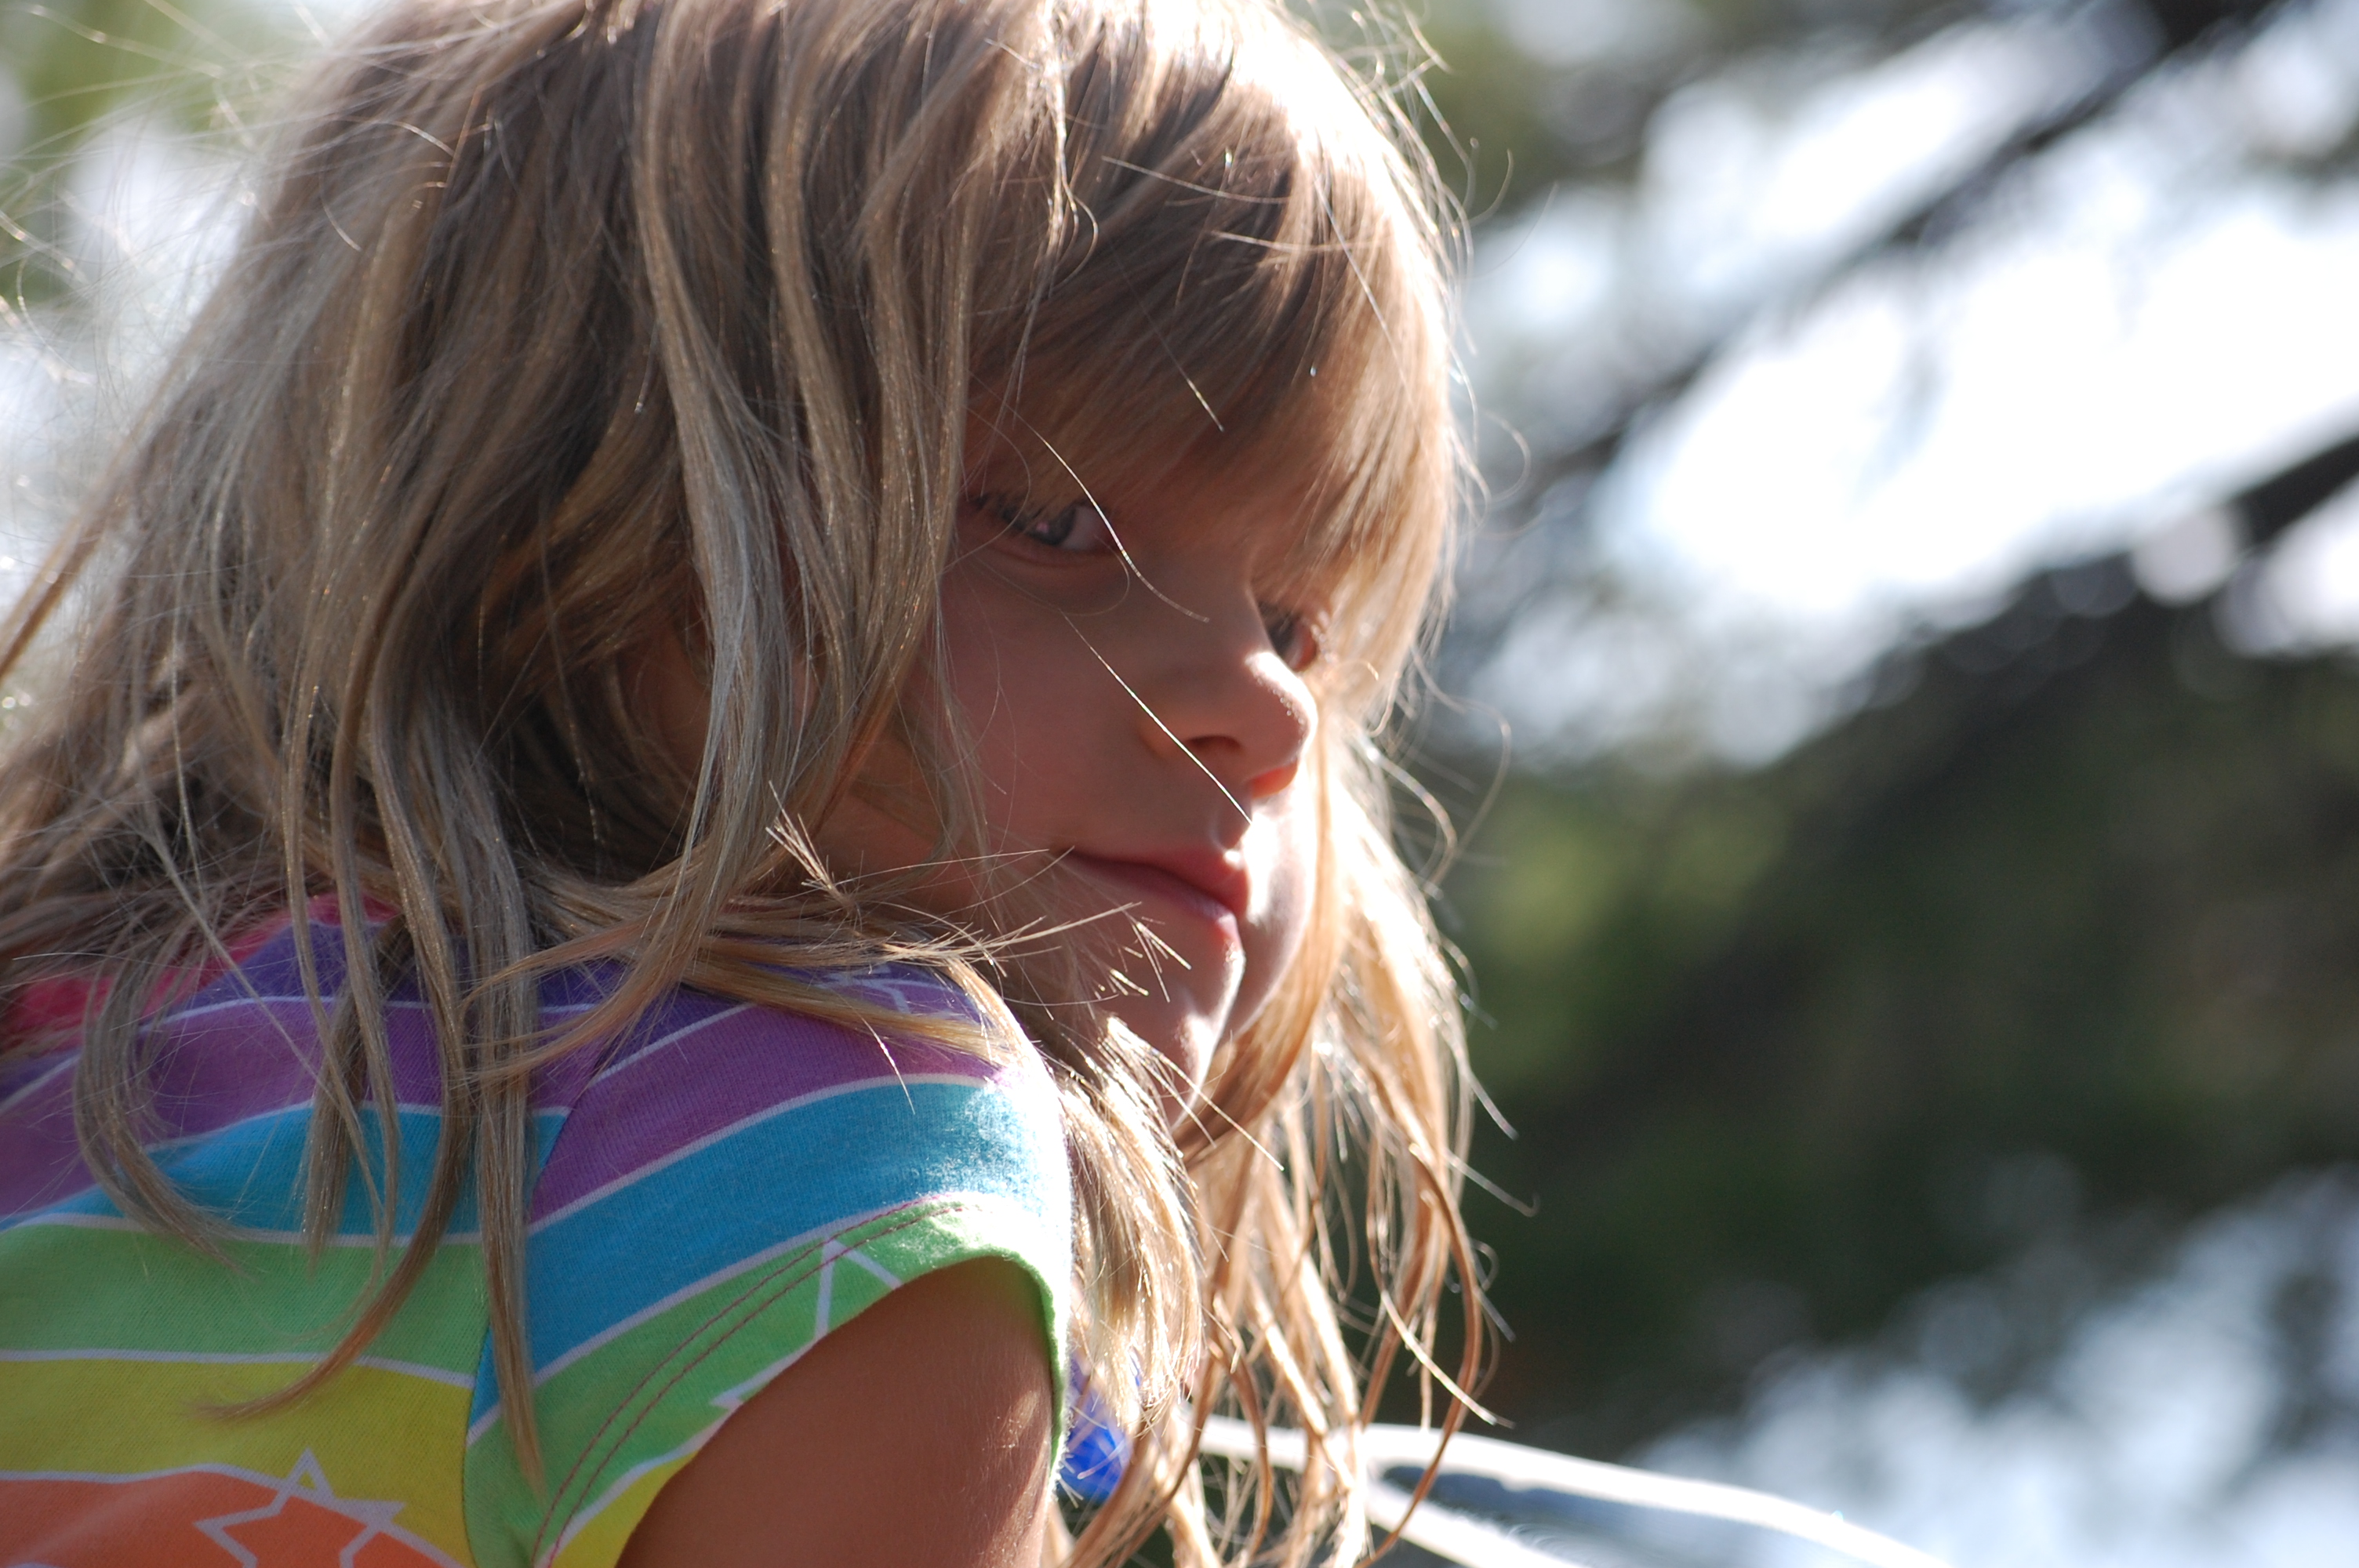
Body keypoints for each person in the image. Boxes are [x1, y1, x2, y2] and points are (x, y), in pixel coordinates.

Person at [0, 0, 1478, 1563]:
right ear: (551, 511)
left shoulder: (55, 1057)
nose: (1270, 708)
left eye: (1297, 624)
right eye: (1050, 521)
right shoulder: (858, 1160)